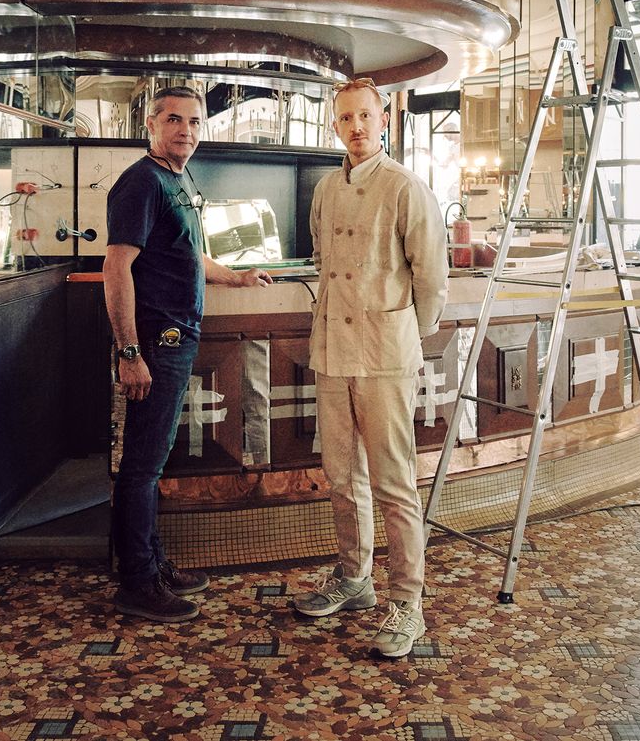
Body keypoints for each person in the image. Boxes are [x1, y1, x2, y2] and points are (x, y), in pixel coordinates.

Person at [104, 85, 272, 622]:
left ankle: (150, 561)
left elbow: (190, 253)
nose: (186, 131)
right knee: (142, 467)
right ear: (150, 125)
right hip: (156, 341)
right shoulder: (140, 182)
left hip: (177, 337)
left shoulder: (175, 180)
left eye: (195, 122)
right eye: (174, 120)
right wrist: (130, 353)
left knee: (152, 464)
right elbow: (117, 268)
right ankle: (135, 580)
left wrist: (238, 278)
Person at [293, 78, 447, 658]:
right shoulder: (327, 189)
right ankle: (353, 578)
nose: (355, 127)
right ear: (334, 126)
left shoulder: (406, 187)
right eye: (345, 119)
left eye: (365, 116)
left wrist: (405, 331)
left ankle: (408, 602)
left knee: (393, 483)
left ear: (383, 120)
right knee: (341, 478)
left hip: (384, 355)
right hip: (332, 351)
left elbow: (431, 279)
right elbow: (320, 257)